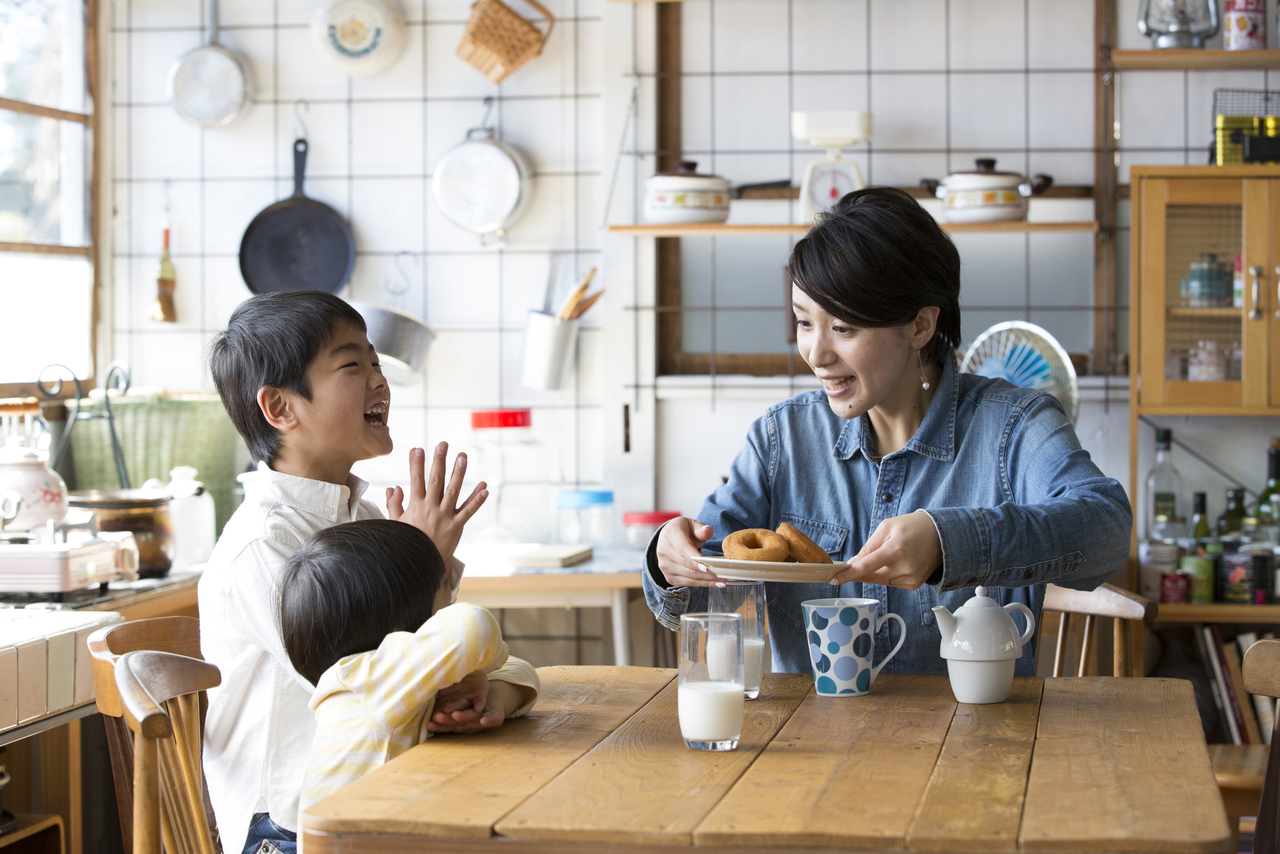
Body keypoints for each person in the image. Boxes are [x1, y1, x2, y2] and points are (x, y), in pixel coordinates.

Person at [643, 187, 1132, 678]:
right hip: (806, 745)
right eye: (803, 322)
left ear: (919, 326)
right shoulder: (781, 439)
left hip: (970, 744)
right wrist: (668, 558)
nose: (816, 353)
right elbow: (701, 586)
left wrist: (948, 542)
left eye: (844, 328)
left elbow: (1107, 529)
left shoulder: (1014, 426)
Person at [202, 291, 499, 854]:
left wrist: (467, 683)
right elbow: (362, 679)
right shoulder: (265, 544)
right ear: (281, 408)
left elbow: (424, 669)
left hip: (368, 794)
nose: (378, 380)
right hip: (285, 828)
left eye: (376, 362)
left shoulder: (359, 516)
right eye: (351, 365)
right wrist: (425, 559)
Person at [279, 518, 538, 813]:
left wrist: (492, 698)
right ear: (398, 632)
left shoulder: (394, 680)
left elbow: (521, 668)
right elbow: (474, 626)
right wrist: (476, 669)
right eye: (444, 589)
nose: (452, 602)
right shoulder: (365, 680)